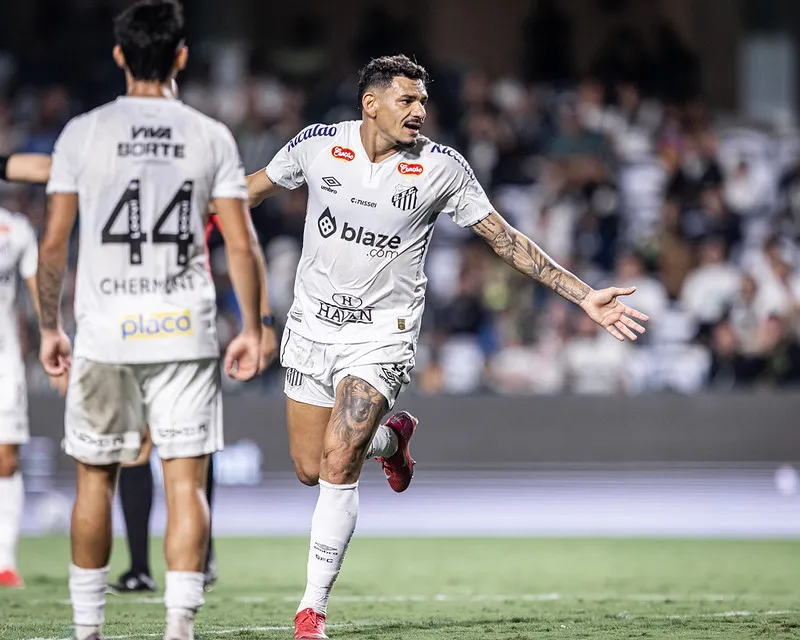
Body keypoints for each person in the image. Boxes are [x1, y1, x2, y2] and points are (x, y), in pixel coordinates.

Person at [244, 54, 649, 639]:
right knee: (311, 468)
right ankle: (392, 439)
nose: (419, 112)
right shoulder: (317, 145)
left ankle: (311, 610)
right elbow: (250, 191)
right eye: (407, 101)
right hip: (311, 330)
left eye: (423, 101)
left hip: (382, 335)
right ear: (371, 103)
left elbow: (504, 240)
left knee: (338, 461)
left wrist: (582, 294)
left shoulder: (441, 168)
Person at [38, 2, 263, 640]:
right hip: (183, 328)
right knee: (185, 481)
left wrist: (51, 326)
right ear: (182, 57)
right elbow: (241, 244)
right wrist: (253, 324)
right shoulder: (209, 134)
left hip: (106, 327)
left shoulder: (83, 132)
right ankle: (179, 629)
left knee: (94, 480)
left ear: (118, 55)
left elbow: (54, 244)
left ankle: (88, 630)